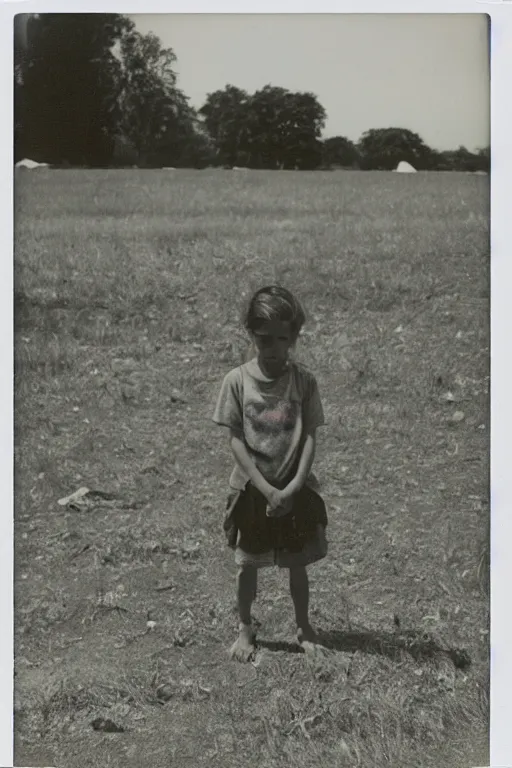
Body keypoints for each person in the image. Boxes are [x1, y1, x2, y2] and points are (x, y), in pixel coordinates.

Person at [212, 285, 329, 662]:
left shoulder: (304, 383)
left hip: (292, 488)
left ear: (294, 337)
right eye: (265, 339)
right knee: (248, 564)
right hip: (253, 490)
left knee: (297, 563)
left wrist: (294, 487)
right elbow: (235, 442)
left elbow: (310, 435)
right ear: (251, 335)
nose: (274, 348)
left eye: (283, 338)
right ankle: (246, 627)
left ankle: (303, 626)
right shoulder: (237, 382)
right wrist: (265, 489)